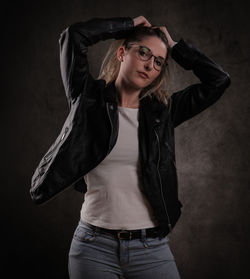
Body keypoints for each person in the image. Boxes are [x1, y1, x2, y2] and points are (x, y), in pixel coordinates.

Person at [30, 15, 231, 279]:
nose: (150, 64)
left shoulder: (164, 112)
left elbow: (218, 80)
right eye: (144, 53)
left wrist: (174, 46)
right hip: (93, 247)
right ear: (122, 53)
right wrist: (126, 25)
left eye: (158, 62)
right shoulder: (87, 100)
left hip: (151, 248)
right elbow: (73, 36)